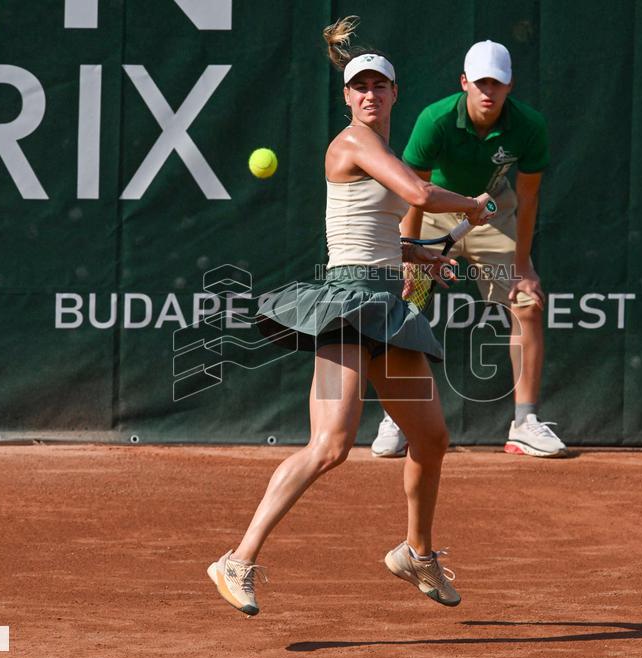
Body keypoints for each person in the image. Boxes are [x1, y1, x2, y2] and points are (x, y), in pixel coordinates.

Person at [207, 17, 495, 616]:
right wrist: (471, 205)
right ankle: (237, 559)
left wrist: (419, 256)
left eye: (378, 86)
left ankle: (416, 552)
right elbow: (420, 196)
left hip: (387, 306)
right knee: (331, 445)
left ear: (394, 94)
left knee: (431, 439)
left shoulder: (382, 151)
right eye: (359, 86)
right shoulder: (354, 142)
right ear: (346, 96)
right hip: (347, 305)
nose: (369, 94)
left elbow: (375, 231)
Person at [370, 39, 567, 459]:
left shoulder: (529, 126)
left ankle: (525, 423)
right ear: (464, 83)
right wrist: (409, 254)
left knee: (527, 302)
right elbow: (415, 194)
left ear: (510, 85)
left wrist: (522, 266)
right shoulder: (435, 120)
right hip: (433, 213)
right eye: (480, 83)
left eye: (496, 83)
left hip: (492, 215)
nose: (488, 91)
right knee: (406, 305)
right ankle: (398, 418)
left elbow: (529, 197)